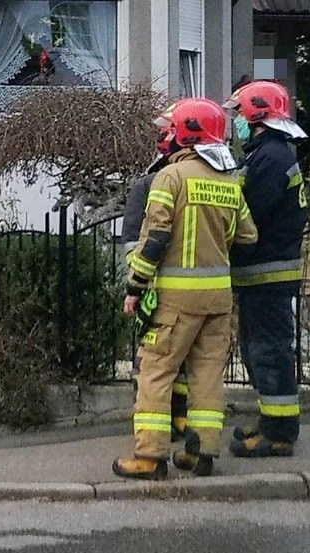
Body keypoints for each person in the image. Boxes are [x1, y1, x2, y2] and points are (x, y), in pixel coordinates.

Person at [113, 98, 258, 480]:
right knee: (207, 376)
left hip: (176, 301)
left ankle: (149, 457)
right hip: (219, 300)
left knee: (156, 372)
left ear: (186, 133)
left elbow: (156, 237)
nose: (165, 135)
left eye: (169, 129)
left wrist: (135, 286)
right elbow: (248, 235)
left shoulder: (170, 178)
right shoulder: (228, 181)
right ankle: (202, 454)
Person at [223, 81, 308, 457]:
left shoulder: (270, 158)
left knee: (269, 351)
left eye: (240, 114)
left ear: (256, 115)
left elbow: (247, 215)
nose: (236, 121)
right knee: (258, 350)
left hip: (267, 273)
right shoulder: (266, 154)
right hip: (262, 274)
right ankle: (270, 421)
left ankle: (278, 433)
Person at [123, 105, 190, 441]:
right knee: (156, 362)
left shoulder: (175, 181)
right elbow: (133, 242)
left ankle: (170, 421)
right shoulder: (149, 185)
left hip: (167, 291)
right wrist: (137, 285)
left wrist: (135, 286)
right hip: (157, 290)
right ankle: (166, 420)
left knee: (163, 363)